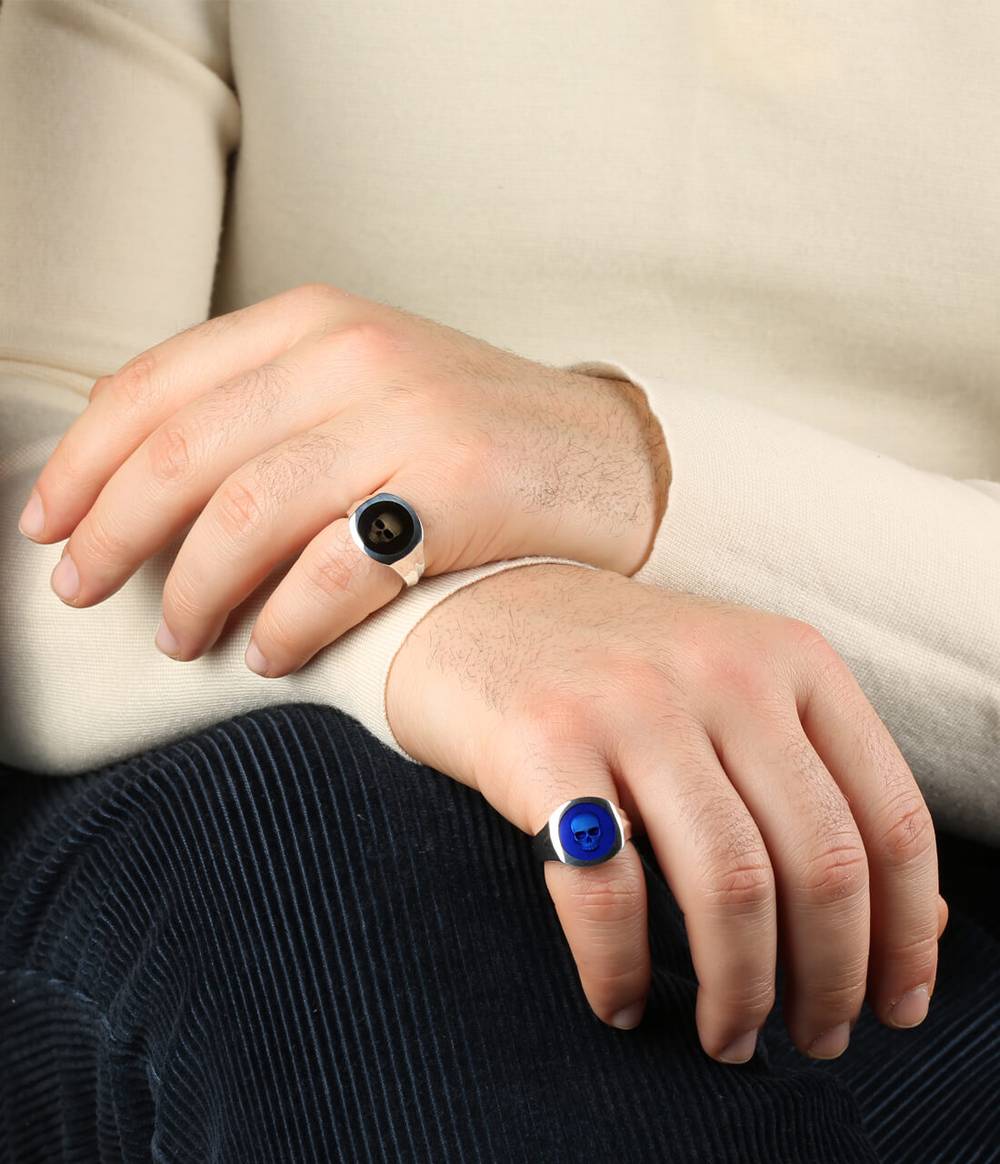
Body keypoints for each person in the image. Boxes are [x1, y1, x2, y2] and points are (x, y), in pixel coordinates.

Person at [1, 1, 997, 1161]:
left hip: (938, 852)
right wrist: (446, 624)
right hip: (310, 830)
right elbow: (35, 464)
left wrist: (636, 481)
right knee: (304, 842)